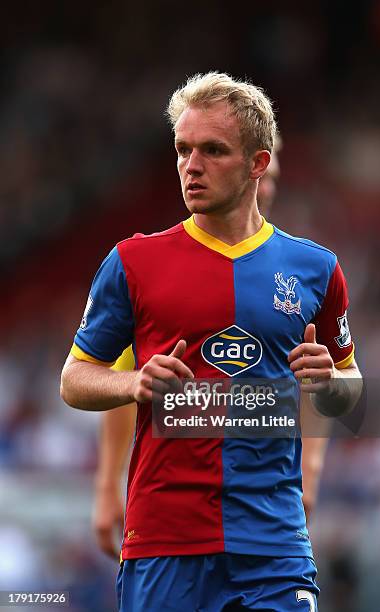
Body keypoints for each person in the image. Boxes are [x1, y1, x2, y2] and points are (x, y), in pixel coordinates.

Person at [61, 72, 362, 612]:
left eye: (212, 150)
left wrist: (329, 382)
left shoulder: (316, 269)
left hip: (274, 547)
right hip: (165, 543)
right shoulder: (133, 262)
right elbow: (74, 380)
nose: (190, 166)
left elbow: (348, 392)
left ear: (258, 163)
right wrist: (134, 381)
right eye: (182, 149)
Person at [92, 134, 330, 560]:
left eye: (274, 177)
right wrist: (108, 483)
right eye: (185, 152)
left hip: (269, 519)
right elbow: (124, 383)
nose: (268, 188)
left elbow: (327, 384)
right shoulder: (155, 267)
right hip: (174, 520)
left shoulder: (303, 271)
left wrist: (309, 471)